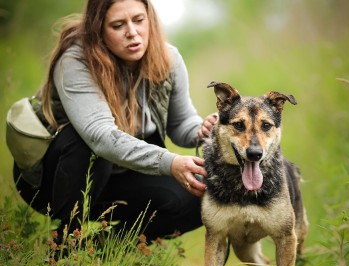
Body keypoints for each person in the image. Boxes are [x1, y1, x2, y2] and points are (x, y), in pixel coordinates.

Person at [12, 0, 217, 243]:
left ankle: (101, 250)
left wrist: (201, 130)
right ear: (98, 29)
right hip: (51, 182)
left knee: (202, 198)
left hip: (118, 177)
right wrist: (169, 162)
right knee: (84, 142)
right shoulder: (76, 60)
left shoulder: (168, 58)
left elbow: (181, 123)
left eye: (139, 20)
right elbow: (100, 137)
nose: (132, 32)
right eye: (118, 25)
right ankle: (62, 249)